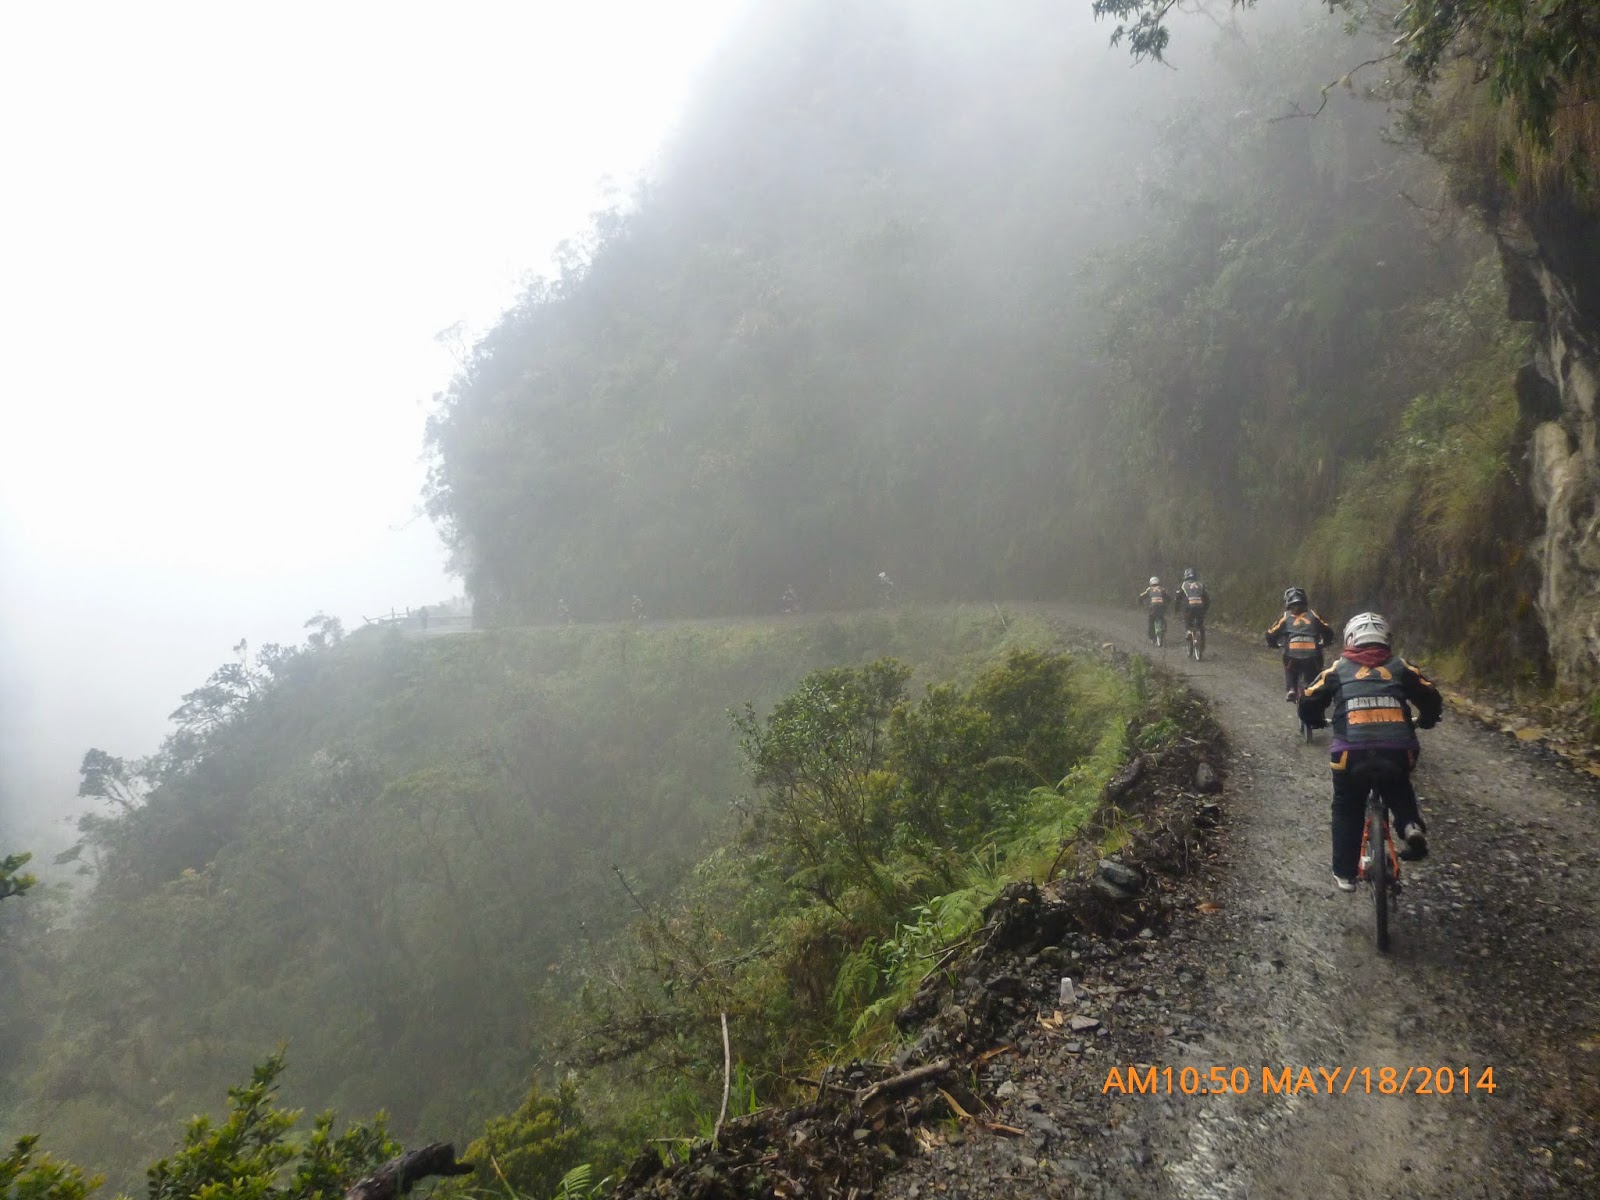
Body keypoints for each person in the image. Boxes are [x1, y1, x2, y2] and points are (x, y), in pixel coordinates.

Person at [1298, 612, 1442, 891]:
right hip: (1398, 749)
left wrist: (1314, 720)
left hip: (1350, 754)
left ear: (1351, 639)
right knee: (1398, 784)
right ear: (1386, 639)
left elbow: (1309, 698)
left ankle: (1345, 873)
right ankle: (1410, 825)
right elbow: (1430, 694)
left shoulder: (1338, 668)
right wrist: (1427, 719)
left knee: (1346, 806)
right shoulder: (1400, 666)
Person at [1265, 587, 1335, 702]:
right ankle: (1316, 690)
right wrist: (1326, 642)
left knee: (1290, 668)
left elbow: (1270, 633)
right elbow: (1328, 630)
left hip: (1292, 653)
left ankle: (1291, 689)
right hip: (1313, 655)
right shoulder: (1313, 614)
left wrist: (1273, 644)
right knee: (1315, 675)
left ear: (1288, 603)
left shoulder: (1286, 616)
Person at [1176, 567, 1209, 643]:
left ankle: (1188, 631)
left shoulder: (1183, 585)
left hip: (1189, 608)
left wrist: (1176, 608)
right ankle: (1202, 643)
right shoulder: (1200, 585)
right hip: (1200, 607)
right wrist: (1205, 609)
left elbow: (1177, 598)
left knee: (1187, 619)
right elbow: (1207, 598)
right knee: (1200, 625)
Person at [1136, 576, 1169, 644]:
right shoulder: (1162, 589)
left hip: (1153, 607)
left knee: (1151, 620)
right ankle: (1163, 627)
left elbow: (1141, 597)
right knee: (1162, 617)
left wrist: (1142, 605)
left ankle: (1151, 636)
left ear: (1151, 582)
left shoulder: (1149, 589)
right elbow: (1168, 598)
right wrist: (1166, 605)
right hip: (1161, 607)